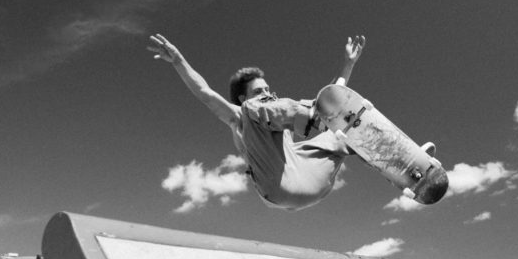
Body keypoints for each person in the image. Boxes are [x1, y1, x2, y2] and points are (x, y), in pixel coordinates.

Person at [148, 33, 366, 211]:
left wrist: (348, 64)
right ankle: (311, 116)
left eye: (268, 90)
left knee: (339, 133)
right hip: (276, 187)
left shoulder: (279, 118)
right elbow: (206, 93)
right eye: (259, 91)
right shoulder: (239, 115)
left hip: (309, 180)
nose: (267, 94)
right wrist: (178, 61)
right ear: (243, 97)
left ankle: (376, 148)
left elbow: (328, 98)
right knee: (255, 109)